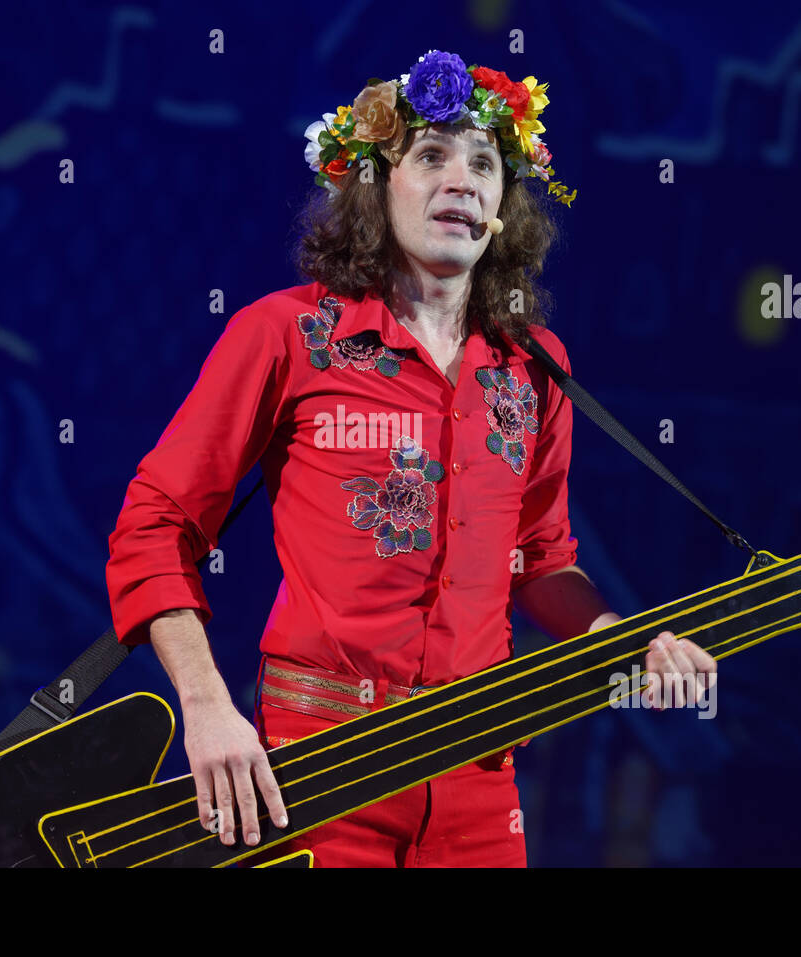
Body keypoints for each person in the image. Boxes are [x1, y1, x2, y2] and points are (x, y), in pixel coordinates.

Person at [105, 49, 717, 867]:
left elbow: (539, 562)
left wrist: (625, 640)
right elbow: (156, 522)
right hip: (313, 772)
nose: (461, 180)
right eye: (431, 156)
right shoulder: (285, 334)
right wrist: (208, 707)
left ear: (503, 204)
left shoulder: (537, 365)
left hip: (479, 779)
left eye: (484, 164)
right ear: (374, 184)